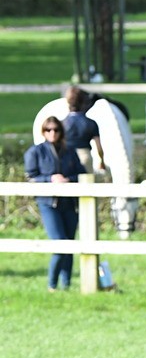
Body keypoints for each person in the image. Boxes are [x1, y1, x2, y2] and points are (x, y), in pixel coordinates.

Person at [25, 116, 87, 291]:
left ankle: (66, 285)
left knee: (69, 243)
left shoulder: (69, 151)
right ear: (43, 132)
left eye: (56, 129)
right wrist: (50, 179)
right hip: (48, 203)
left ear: (61, 131)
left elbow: (82, 174)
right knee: (59, 243)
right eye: (48, 130)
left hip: (69, 203)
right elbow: (31, 178)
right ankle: (52, 285)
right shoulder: (35, 152)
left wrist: (68, 179)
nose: (52, 133)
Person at [62, 86, 104, 174]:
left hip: (66, 156)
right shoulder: (91, 123)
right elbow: (99, 148)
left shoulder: (62, 123)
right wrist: (101, 161)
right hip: (84, 155)